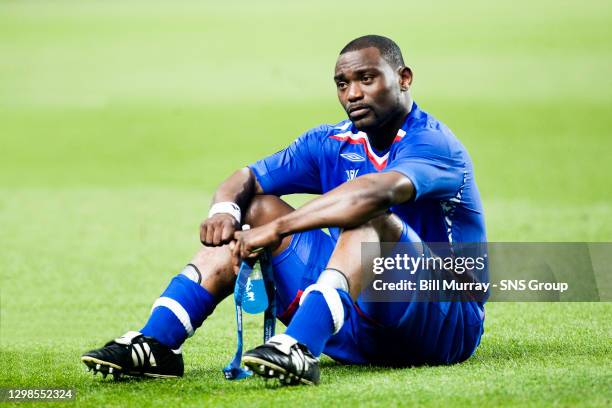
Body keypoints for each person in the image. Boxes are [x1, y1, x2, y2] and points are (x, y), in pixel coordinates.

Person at [81, 34, 486, 385]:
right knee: (253, 209)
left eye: (367, 78)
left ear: (404, 78)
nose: (353, 94)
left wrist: (275, 231)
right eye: (342, 84)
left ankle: (300, 347)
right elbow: (246, 177)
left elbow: (371, 195)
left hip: (444, 323)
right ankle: (156, 344)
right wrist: (225, 210)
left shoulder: (434, 144)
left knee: (367, 217)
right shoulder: (329, 141)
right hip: (359, 326)